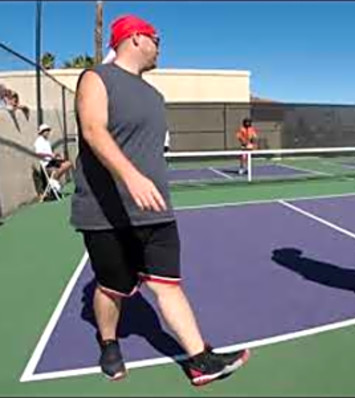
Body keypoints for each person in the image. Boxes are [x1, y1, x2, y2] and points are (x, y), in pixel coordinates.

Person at [70, 14, 249, 385]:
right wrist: (131, 176)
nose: (159, 46)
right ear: (135, 38)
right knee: (112, 288)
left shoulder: (154, 95)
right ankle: (108, 341)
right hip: (107, 214)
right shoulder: (95, 78)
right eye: (156, 38)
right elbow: (92, 129)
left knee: (168, 285)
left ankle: (199, 360)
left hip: (155, 211)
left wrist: (148, 183)